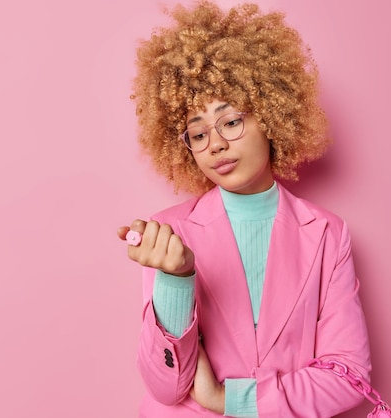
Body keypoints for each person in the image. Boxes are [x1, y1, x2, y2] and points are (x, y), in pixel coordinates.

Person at [117, 1, 371, 416]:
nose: (214, 143)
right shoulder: (167, 235)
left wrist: (229, 400)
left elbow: (349, 375)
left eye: (230, 121)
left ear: (271, 116)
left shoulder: (327, 232)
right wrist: (176, 280)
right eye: (197, 133)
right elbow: (166, 388)